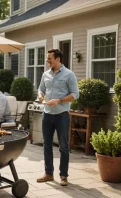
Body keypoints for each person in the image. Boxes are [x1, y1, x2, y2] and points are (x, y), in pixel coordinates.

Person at [37, 49, 79, 186]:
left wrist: (59, 100)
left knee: (63, 147)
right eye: (47, 58)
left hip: (62, 115)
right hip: (47, 114)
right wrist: (40, 96)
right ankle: (48, 174)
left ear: (58, 59)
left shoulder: (69, 74)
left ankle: (63, 176)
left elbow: (75, 94)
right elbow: (41, 89)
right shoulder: (45, 74)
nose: (47, 60)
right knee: (46, 146)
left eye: (50, 58)